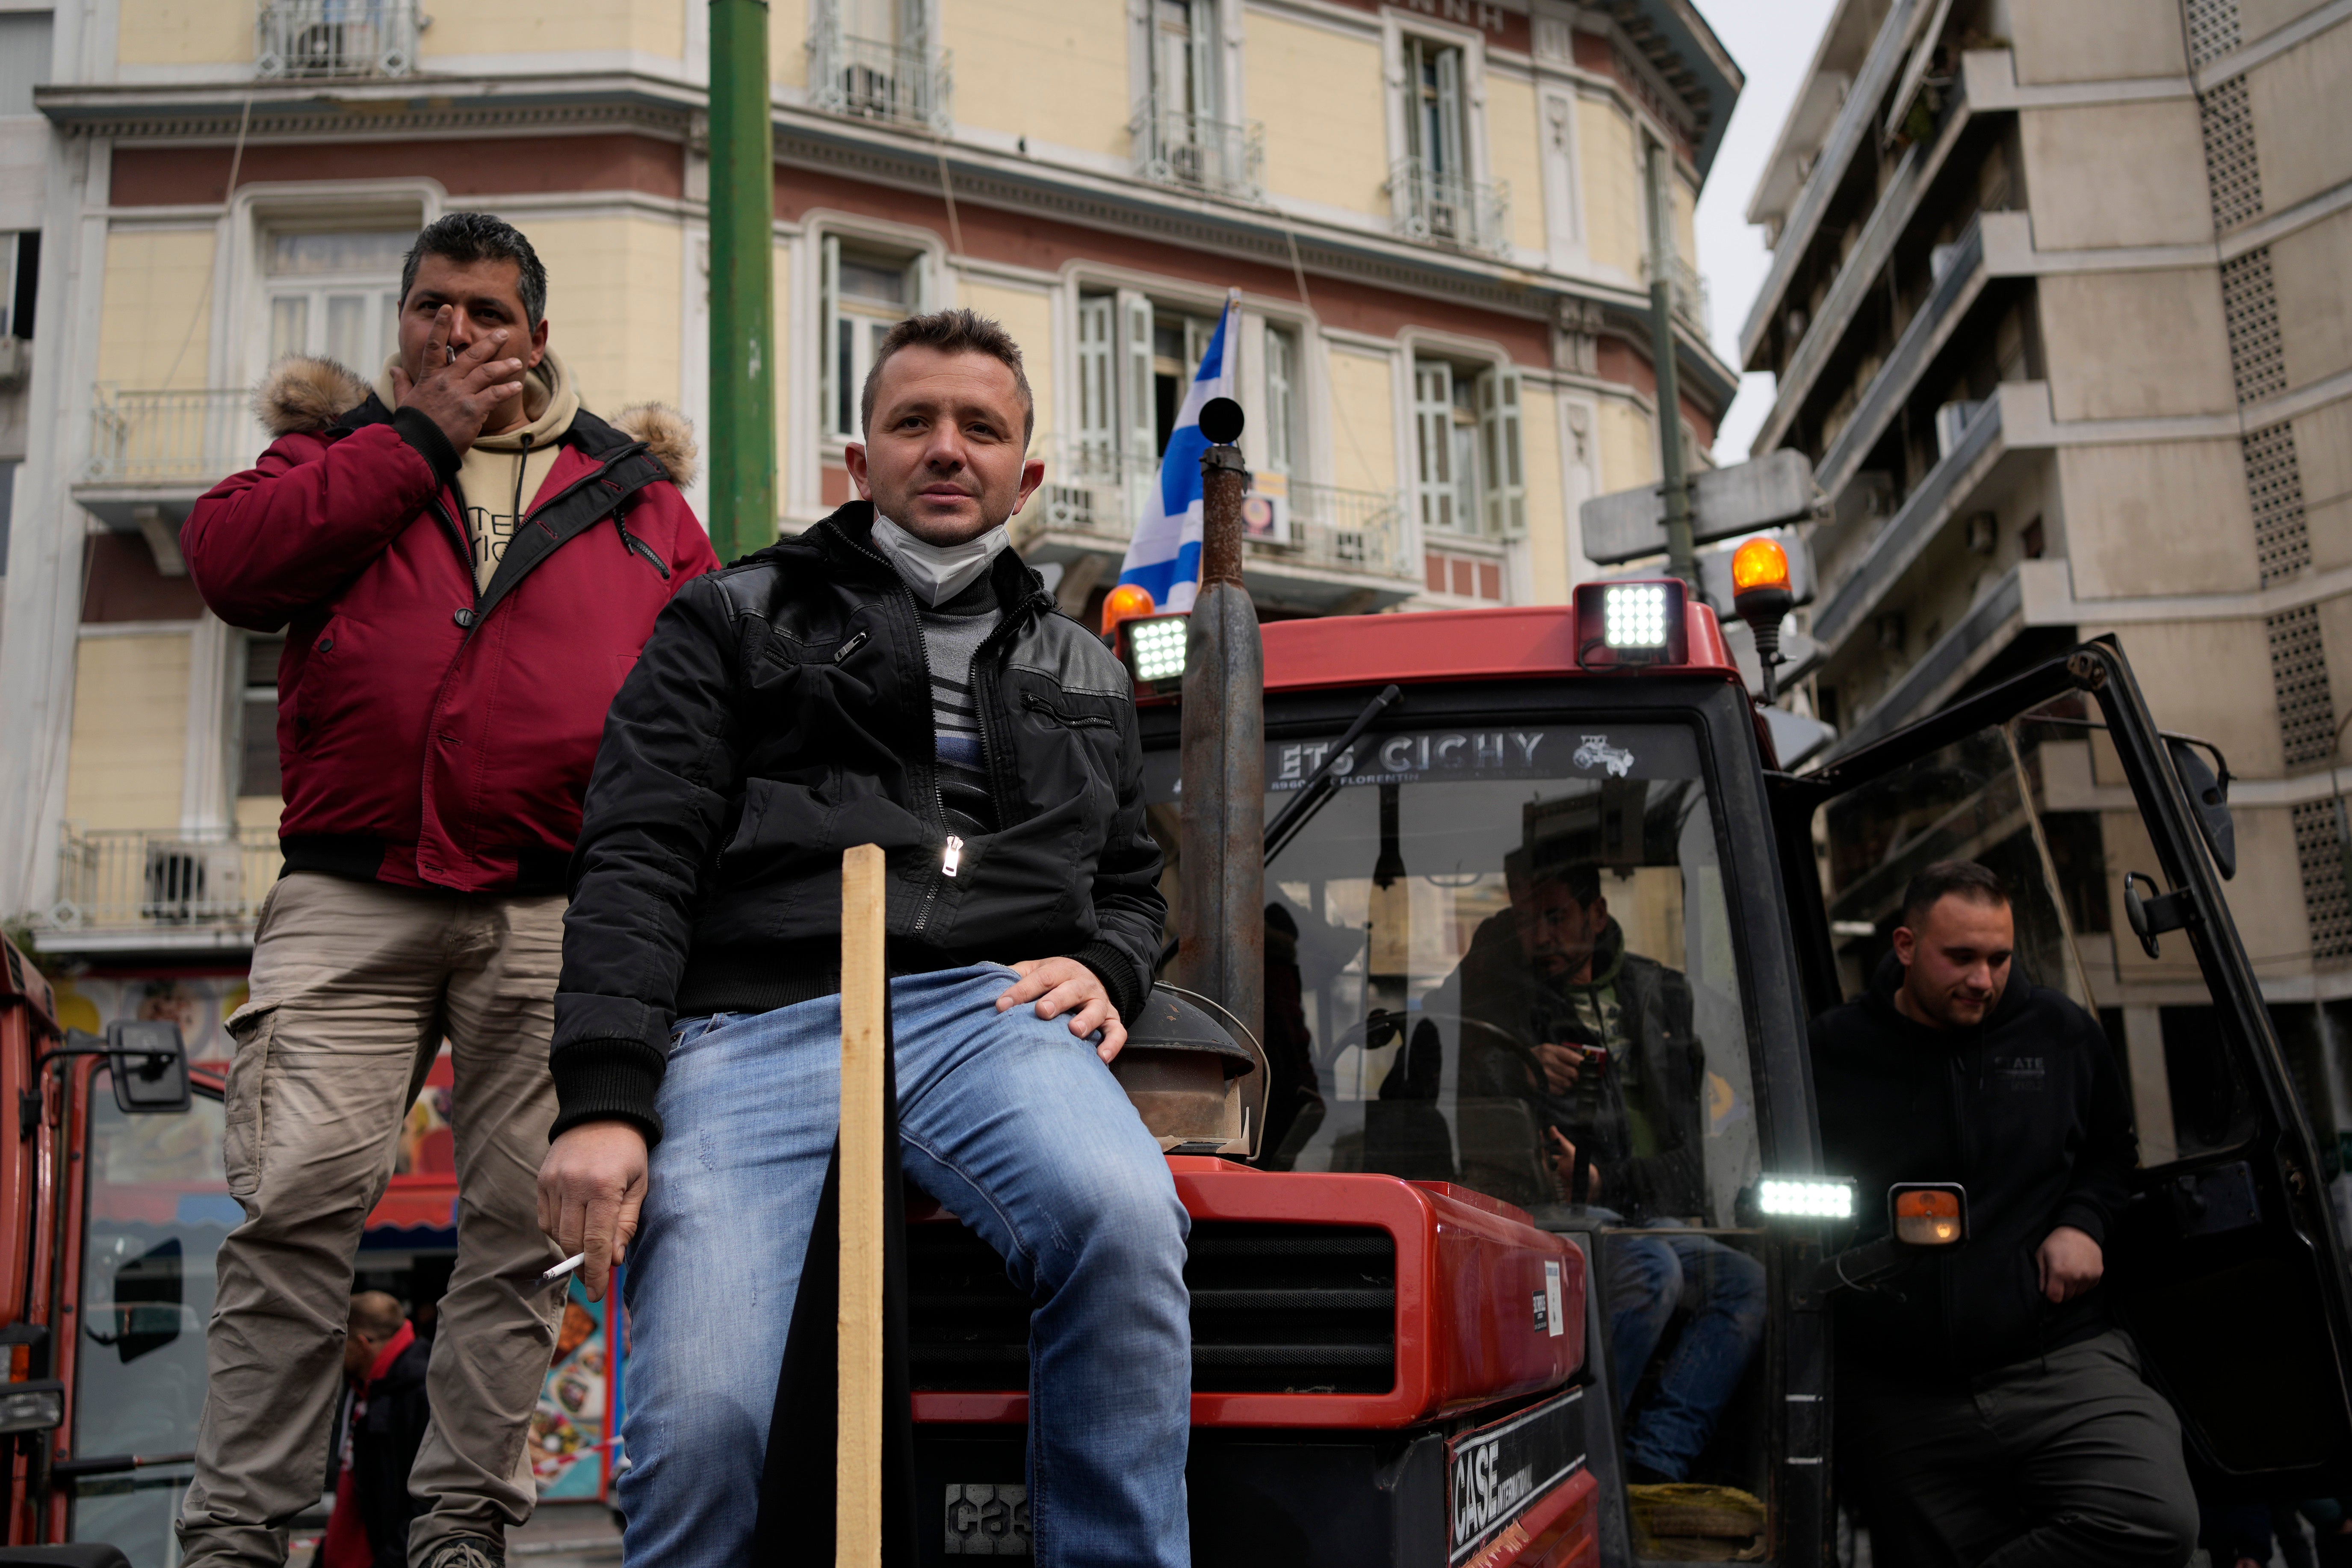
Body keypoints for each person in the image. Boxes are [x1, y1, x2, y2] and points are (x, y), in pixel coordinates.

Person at [535, 307, 1185, 1566]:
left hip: (986, 1019)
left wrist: (1106, 962)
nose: (948, 449)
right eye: (914, 422)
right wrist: (606, 1096)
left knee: (1123, 1215)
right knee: (703, 1417)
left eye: (981, 428)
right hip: (750, 1024)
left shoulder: (1089, 670)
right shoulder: (728, 617)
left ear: (1025, 474)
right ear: (860, 459)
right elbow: (638, 854)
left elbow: (1131, 882)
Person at [177, 211, 719, 1568]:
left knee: (524, 1237)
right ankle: (239, 1535)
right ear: (404, 321)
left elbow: (711, 710)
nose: (456, 331)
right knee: (292, 1208)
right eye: (432, 307)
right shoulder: (333, 456)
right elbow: (232, 567)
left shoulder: (641, 497)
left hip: (558, 908)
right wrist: (417, 434)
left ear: (537, 332)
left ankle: (461, 1530)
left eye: (485, 312)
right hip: (351, 888)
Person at [1811, 860, 2197, 1567]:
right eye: (1960, 957)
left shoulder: (2060, 1032)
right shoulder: (1832, 1050)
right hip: (1902, 1385)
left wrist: (2082, 1222)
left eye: (1999, 956)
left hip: (2056, 1354)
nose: (1984, 979)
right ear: (1904, 946)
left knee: (2154, 1517)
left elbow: (2112, 1154)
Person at [1438, 853, 1764, 1485]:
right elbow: (1445, 1060)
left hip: (1640, 1202)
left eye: (1556, 917)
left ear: (1598, 913)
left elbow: (1727, 1126)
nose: (1541, 937)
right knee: (1649, 1269)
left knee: (1746, 1282)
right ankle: (1571, 1452)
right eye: (1526, 919)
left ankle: (1653, 1454)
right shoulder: (1499, 989)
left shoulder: (1665, 994)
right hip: (1549, 1207)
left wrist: (1611, 1182)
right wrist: (1521, 1064)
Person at [318, 1294, 434, 1568]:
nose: (335, 1356)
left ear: (362, 1344)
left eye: (341, 1345)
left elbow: (427, 1502)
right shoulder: (369, 1388)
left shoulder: (419, 1391)